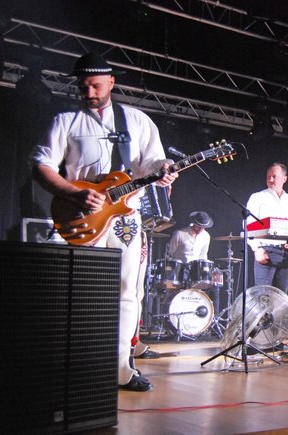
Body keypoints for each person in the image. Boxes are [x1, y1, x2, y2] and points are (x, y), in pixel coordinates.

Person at [29, 52, 178, 391]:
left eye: (96, 85)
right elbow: (41, 165)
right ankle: (74, 365)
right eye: (83, 86)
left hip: (126, 219)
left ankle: (121, 369)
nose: (89, 93)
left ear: (111, 82)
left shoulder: (137, 120)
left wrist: (163, 172)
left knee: (128, 292)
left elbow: (153, 163)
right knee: (80, 293)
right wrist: (74, 193)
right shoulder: (66, 120)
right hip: (82, 217)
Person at [246, 162, 288, 293]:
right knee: (262, 296)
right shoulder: (258, 197)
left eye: (274, 176)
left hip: (286, 253)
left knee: (281, 296)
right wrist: (257, 249)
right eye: (268, 176)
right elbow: (248, 225)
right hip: (266, 250)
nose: (271, 180)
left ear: (284, 178)